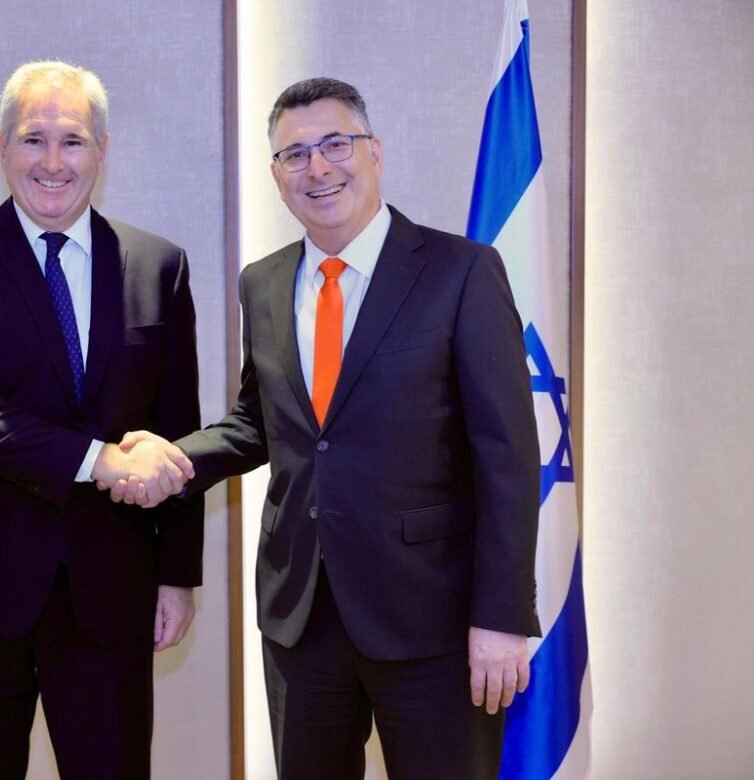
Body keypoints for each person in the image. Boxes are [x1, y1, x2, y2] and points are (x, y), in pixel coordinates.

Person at [108, 77, 540, 778]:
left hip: (430, 615)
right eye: (294, 154)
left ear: (374, 153)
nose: (318, 168)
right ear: (277, 178)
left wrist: (502, 616)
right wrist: (172, 456)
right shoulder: (264, 282)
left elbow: (509, 459)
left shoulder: (461, 272)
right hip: (300, 616)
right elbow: (261, 423)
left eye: (335, 144)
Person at [0, 60, 204, 780]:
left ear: (102, 150)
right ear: (1, 145)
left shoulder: (157, 265)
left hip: (110, 591)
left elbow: (177, 428)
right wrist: (98, 459)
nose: (52, 161)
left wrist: (177, 574)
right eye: (33, 139)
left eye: (71, 141)